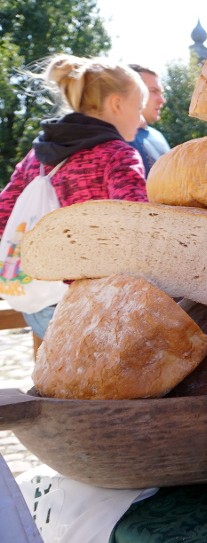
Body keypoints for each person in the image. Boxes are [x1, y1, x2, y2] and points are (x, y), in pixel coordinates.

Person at [0, 55, 149, 339]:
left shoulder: (37, 155)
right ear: (116, 104)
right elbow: (136, 226)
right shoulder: (118, 154)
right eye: (138, 108)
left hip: (37, 299)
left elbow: (3, 213)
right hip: (93, 302)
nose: (141, 120)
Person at [128, 64, 170, 176]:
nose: (162, 100)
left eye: (162, 93)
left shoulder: (158, 136)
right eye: (154, 91)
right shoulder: (112, 141)